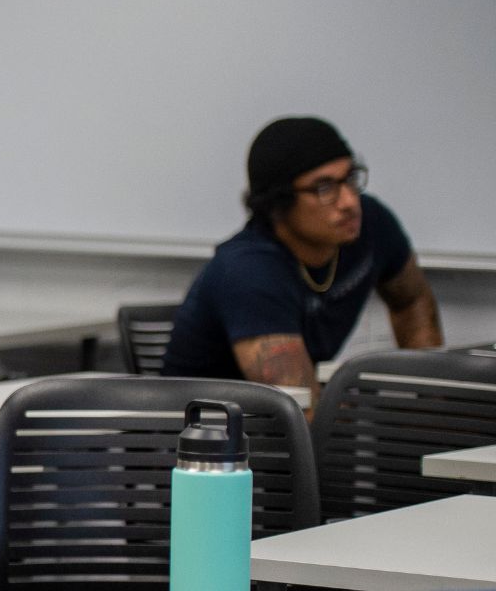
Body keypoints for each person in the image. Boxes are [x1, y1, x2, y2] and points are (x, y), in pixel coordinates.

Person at [164, 116, 442, 389]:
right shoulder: (248, 270)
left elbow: (411, 299)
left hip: (280, 421)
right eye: (325, 188)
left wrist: (426, 399)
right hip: (207, 426)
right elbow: (298, 407)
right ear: (278, 203)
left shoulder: (370, 224)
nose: (349, 201)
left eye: (350, 178)